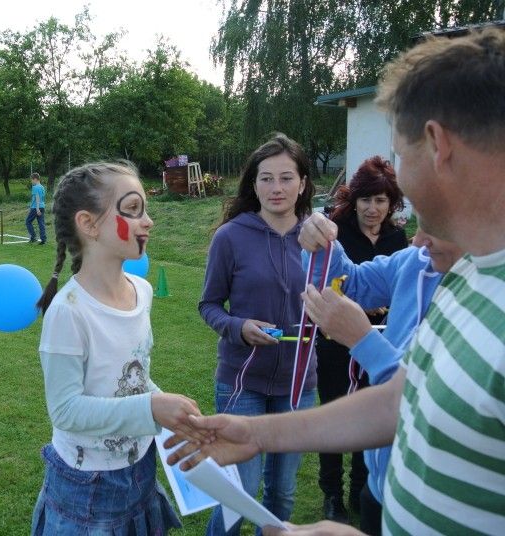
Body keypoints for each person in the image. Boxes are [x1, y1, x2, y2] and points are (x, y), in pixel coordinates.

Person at [165, 28, 505, 535]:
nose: (395, 181)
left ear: (437, 145)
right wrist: (255, 433)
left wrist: (362, 339)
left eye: (400, 153)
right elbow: (402, 400)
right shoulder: (464, 278)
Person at [30, 161, 204, 535]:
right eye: (133, 209)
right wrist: (152, 407)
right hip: (87, 486)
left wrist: (167, 405)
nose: (148, 221)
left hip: (140, 466)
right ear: (89, 224)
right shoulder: (68, 312)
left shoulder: (142, 291)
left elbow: (133, 373)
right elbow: (65, 410)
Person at [299, 212, 463, 535]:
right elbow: (352, 282)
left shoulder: (488, 300)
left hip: (432, 502)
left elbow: (429, 403)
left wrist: (364, 341)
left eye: (434, 223)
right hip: (381, 483)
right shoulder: (416, 261)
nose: (417, 239)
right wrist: (322, 243)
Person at [198, 133, 316, 535]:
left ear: (302, 183)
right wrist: (239, 327)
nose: (276, 188)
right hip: (242, 382)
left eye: (286, 178)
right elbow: (209, 305)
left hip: (298, 384)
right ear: (254, 184)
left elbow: (340, 290)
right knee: (239, 494)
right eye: (266, 178)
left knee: (282, 494)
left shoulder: (317, 239)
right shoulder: (230, 237)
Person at [314, 156, 408, 523]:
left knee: (370, 416)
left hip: (379, 343)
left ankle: (360, 487)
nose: (372, 208)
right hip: (337, 342)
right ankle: (332, 494)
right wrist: (357, 304)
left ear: (392, 203)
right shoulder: (337, 232)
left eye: (380, 200)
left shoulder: (397, 238)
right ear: (354, 201)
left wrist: (384, 306)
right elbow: (328, 280)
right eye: (366, 199)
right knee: (333, 415)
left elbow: (399, 288)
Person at [26, 172, 47, 244]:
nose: (31, 181)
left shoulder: (35, 187)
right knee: (41, 223)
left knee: (28, 221)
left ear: (35, 179)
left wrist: (37, 209)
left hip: (36, 207)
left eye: (32, 180)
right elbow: (42, 198)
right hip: (42, 206)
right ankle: (43, 239)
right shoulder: (42, 187)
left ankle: (33, 237)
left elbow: (37, 198)